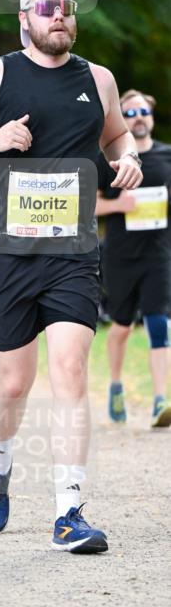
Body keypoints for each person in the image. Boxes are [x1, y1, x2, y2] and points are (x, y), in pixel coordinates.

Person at [0, 0, 143, 554]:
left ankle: (69, 512)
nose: (60, 16)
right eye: (48, 7)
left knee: (71, 370)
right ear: (24, 17)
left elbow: (120, 136)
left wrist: (128, 161)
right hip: (6, 253)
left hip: (71, 251)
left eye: (67, 8)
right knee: (12, 383)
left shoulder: (97, 79)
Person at [96, 89, 171, 428]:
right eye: (129, 113)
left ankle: (160, 400)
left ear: (152, 117)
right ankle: (114, 384)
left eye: (143, 110)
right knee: (122, 326)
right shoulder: (108, 159)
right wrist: (117, 206)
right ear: (121, 121)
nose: (138, 117)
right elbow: (87, 204)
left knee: (158, 322)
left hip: (159, 255)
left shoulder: (168, 157)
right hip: (121, 257)